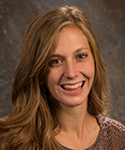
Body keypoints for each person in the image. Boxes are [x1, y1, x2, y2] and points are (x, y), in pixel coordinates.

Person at [0, 6, 124, 150]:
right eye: (56, 61)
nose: (71, 73)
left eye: (81, 56)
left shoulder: (119, 139)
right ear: (39, 72)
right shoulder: (9, 142)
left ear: (95, 60)